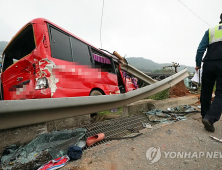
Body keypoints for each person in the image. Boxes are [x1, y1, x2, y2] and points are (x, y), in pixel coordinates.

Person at [195, 13, 222, 132]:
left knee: (206, 90)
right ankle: (210, 118)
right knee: (221, 93)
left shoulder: (211, 30)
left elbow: (201, 48)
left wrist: (198, 64)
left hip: (209, 64)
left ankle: (205, 116)